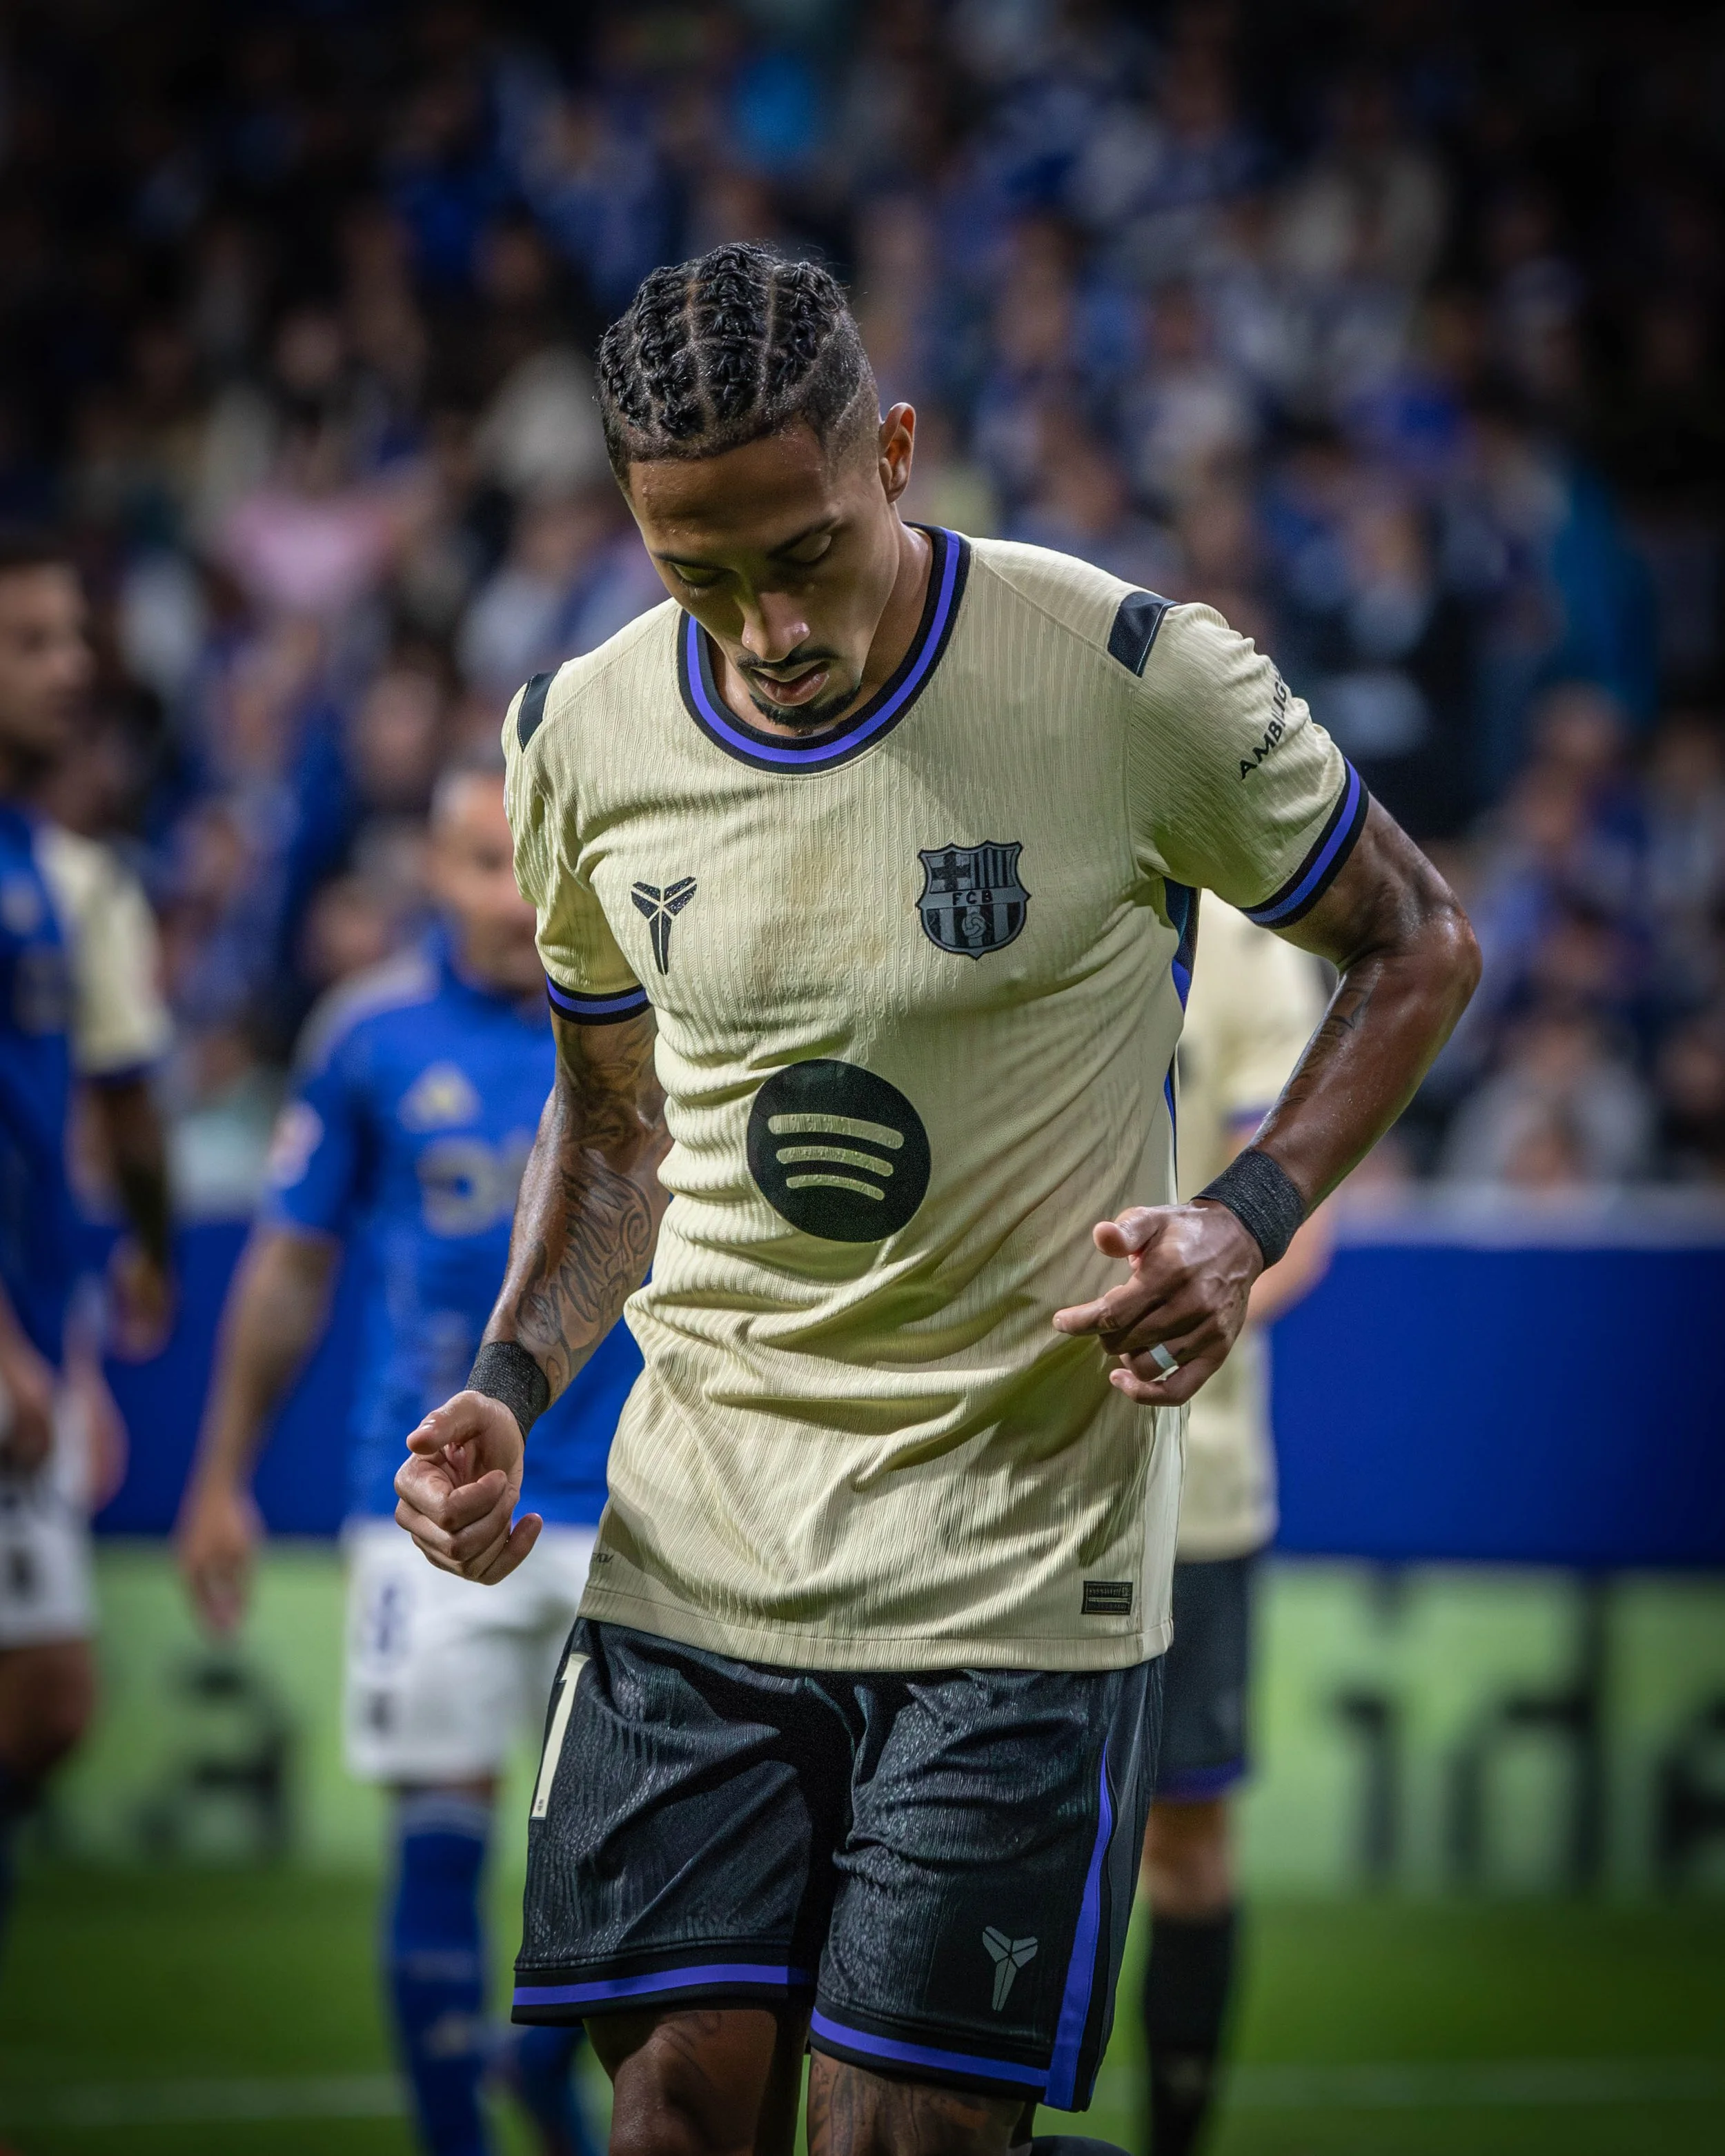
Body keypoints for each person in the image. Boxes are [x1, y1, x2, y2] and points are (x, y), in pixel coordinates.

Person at [394, 243, 1480, 2156]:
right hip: (694, 1548)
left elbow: (1414, 940)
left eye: (801, 549)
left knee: (900, 2136)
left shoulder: (1133, 678)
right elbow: (613, 1119)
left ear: (893, 449)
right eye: (695, 571)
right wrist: (512, 1375)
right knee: (665, 2117)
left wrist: (1241, 1214)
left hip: (1014, 1571)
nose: (763, 626)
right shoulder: (581, 734)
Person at [177, 756, 635, 2156]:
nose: (514, 896)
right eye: (483, 865)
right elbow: (289, 1270)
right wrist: (219, 1474)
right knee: (439, 1832)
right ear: (432, 876)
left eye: (534, 864)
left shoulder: (648, 1026)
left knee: (637, 1871)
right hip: (425, 1494)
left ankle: (543, 2078)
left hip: (638, 1514)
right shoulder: (367, 1036)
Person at [0, 533, 175, 1967]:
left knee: (46, 1702)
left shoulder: (48, 872)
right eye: (34, 642)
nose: (75, 667)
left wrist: (62, 1328)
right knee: (44, 1694)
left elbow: (85, 1119)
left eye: (75, 636)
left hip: (31, 1322)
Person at [1140, 900, 1332, 2155]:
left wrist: (1155, 1327)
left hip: (1192, 1475)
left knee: (1188, 1838)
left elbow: (1297, 1232)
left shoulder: (1251, 942)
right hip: (989, 1460)